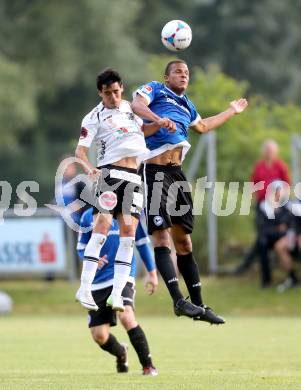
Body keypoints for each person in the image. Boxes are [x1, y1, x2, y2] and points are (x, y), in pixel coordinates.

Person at [132, 59, 248, 323]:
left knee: (184, 241)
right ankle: (178, 301)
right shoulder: (155, 91)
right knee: (161, 238)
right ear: (166, 77)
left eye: (186, 73)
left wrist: (231, 111)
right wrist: (158, 120)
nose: (183, 76)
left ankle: (199, 306)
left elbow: (203, 126)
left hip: (177, 175)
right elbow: (136, 105)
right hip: (154, 173)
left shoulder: (187, 105)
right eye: (178, 72)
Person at [75, 68, 169, 311]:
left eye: (116, 92)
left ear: (122, 88)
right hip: (109, 175)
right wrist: (88, 167)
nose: (113, 97)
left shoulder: (130, 108)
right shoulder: (93, 117)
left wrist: (160, 123)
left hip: (133, 177)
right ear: (100, 93)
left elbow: (144, 131)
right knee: (103, 225)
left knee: (129, 232)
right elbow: (80, 151)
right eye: (108, 94)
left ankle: (117, 295)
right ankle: (84, 288)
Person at [77, 207, 158, 376]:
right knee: (99, 335)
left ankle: (148, 366)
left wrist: (152, 273)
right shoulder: (86, 217)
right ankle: (121, 352)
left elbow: (142, 243)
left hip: (123, 275)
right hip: (97, 282)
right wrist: (90, 258)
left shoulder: (128, 212)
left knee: (126, 316)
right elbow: (81, 247)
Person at [235, 139, 291, 275]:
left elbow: (287, 185)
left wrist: (279, 201)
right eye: (267, 150)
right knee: (262, 238)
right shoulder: (259, 166)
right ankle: (263, 276)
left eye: (271, 151)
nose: (269, 153)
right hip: (262, 206)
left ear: (276, 152)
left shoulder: (280, 166)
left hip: (277, 207)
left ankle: (245, 266)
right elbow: (253, 184)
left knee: (265, 239)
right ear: (264, 152)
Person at [255, 181, 299, 289]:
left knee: (282, 246)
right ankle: (266, 280)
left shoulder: (288, 207)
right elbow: (263, 227)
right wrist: (279, 228)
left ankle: (292, 278)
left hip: (287, 237)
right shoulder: (263, 207)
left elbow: (290, 225)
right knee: (262, 244)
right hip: (269, 238)